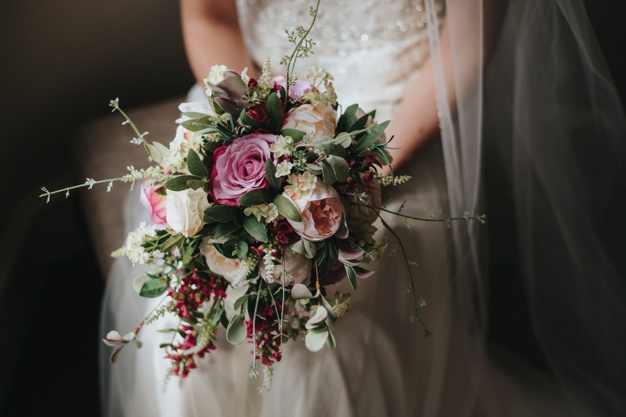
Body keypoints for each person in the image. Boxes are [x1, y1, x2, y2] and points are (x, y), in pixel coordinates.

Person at [101, 0, 626, 416]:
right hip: (255, 97)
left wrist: (368, 166)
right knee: (196, 267)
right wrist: (261, 132)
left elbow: (471, 32)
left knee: (346, 293)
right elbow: (207, 13)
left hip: (405, 119)